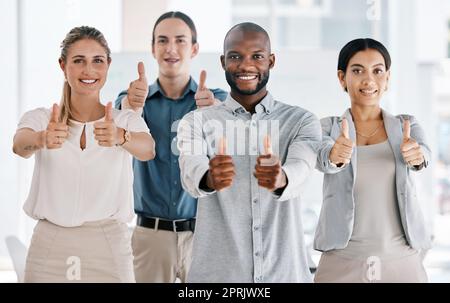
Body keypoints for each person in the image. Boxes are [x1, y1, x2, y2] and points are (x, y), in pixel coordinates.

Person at [177, 22, 322, 283]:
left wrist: (282, 178)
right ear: (223, 62)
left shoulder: (301, 120)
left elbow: (303, 165)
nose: (245, 66)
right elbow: (190, 169)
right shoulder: (195, 122)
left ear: (271, 60)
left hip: (285, 275)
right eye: (235, 56)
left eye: (257, 56)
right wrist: (208, 178)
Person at [13, 26, 155, 283]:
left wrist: (121, 136)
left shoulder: (122, 120)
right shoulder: (43, 118)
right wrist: (40, 138)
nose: (89, 70)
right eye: (79, 61)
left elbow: (148, 149)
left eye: (97, 61)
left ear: (108, 65)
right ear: (63, 65)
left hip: (107, 242)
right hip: (50, 242)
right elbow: (19, 144)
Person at [115, 11, 227, 283]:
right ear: (153, 48)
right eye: (163, 41)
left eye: (180, 40)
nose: (171, 49)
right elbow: (122, 119)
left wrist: (214, 113)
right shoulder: (131, 99)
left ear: (195, 48)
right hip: (149, 238)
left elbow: (234, 137)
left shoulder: (215, 100)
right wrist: (133, 105)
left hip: (204, 236)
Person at [313, 38, 431, 283]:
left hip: (401, 260)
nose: (368, 80)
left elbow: (423, 154)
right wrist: (334, 157)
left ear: (387, 78)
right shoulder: (327, 128)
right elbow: (321, 157)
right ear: (341, 77)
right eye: (357, 71)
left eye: (377, 71)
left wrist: (417, 156)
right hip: (341, 259)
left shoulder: (406, 125)